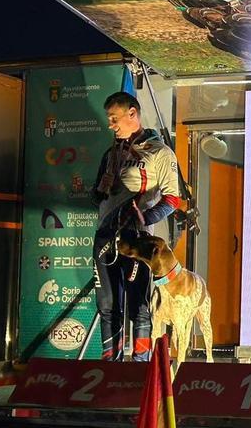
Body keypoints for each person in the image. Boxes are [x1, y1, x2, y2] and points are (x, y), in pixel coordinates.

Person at [92, 91, 180, 361]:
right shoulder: (110, 153)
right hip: (105, 235)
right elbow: (97, 195)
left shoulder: (160, 152)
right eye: (109, 119)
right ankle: (110, 366)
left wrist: (146, 218)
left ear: (133, 114)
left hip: (137, 241)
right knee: (107, 307)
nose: (111, 124)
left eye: (114, 118)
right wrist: (99, 190)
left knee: (139, 307)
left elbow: (173, 199)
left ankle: (140, 368)